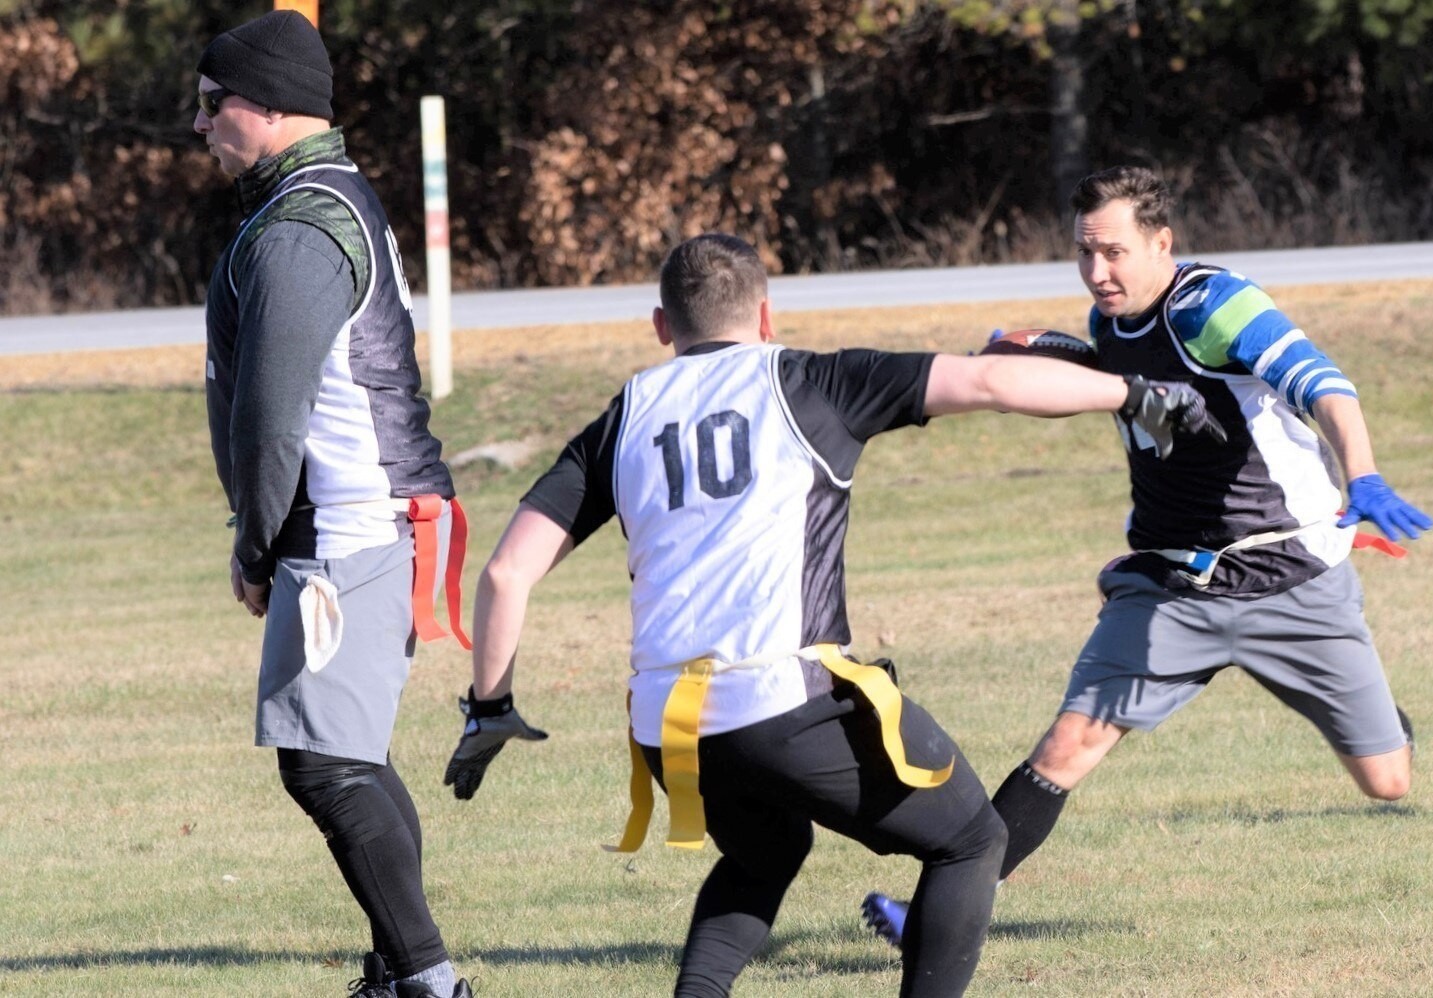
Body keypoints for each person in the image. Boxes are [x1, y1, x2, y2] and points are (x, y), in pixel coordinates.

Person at [441, 233, 1221, 997]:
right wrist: (1136, 394)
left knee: (764, 852)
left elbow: (508, 573)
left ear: (661, 327)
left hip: (667, 725)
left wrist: (490, 710)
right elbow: (989, 384)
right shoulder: (814, 381)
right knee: (972, 842)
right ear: (768, 317)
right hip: (779, 699)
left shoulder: (628, 415)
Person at [861, 164, 1433, 948]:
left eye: (1116, 252)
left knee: (1387, 781)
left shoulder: (1215, 306)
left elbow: (1324, 383)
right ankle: (935, 917)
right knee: (1068, 744)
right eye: (1084, 253)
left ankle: (1386, 723)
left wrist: (1361, 473)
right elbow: (1109, 384)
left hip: (1291, 578)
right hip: (1175, 585)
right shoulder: (1110, 325)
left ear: (1162, 242)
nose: (1098, 272)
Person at [196, 11, 472, 997]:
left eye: (212, 102)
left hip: (346, 524)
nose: (201, 123)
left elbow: (274, 412)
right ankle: (398, 971)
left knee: (324, 762)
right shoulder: (317, 197)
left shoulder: (302, 225)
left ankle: (428, 980)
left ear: (267, 106)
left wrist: (256, 540)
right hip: (370, 519)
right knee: (344, 752)